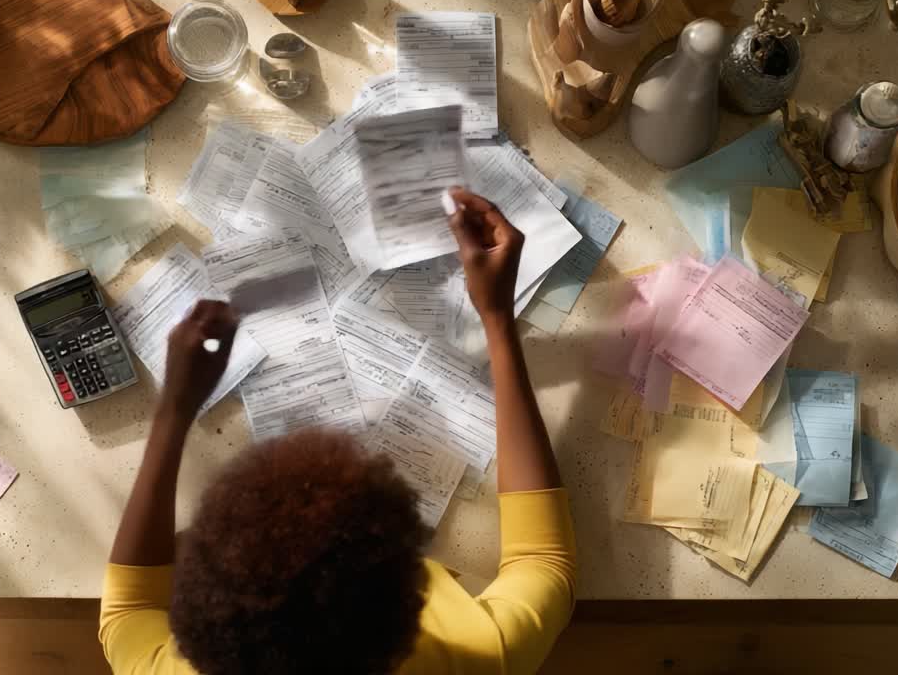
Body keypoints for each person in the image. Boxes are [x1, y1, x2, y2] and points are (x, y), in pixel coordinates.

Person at [100, 188, 576, 675]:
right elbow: (544, 564)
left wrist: (172, 411)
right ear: (413, 609)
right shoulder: (470, 656)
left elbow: (127, 612)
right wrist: (497, 319)